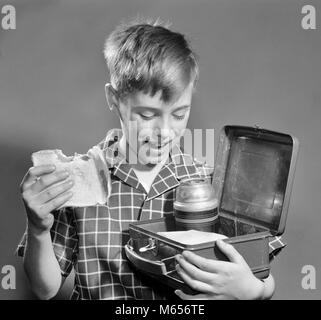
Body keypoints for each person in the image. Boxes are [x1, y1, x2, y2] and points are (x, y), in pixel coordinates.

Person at [16, 18, 282, 300]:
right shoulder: (78, 183)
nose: (165, 132)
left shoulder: (211, 184)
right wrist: (38, 228)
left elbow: (263, 280)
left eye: (179, 114)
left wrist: (252, 291)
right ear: (114, 99)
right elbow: (45, 289)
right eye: (147, 115)